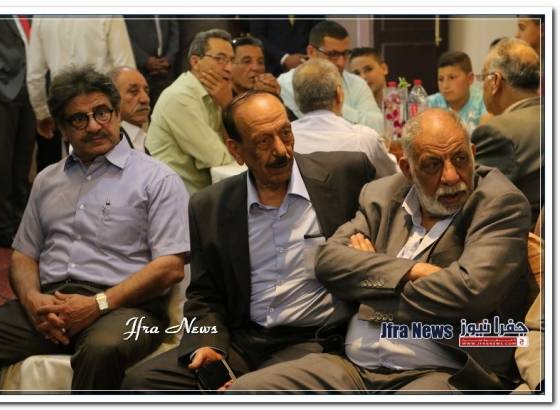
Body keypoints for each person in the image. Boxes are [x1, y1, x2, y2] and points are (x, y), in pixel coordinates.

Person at [228, 108, 532, 393]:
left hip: (442, 368)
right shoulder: (383, 195)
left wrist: (371, 278)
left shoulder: (499, 203)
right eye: (433, 164)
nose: (451, 176)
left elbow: (470, 292)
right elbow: (327, 261)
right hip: (352, 367)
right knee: (247, 391)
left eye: (460, 159)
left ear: (474, 154)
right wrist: (413, 271)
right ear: (407, 169)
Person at [121, 90, 376, 392]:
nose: (281, 150)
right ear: (235, 149)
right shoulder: (210, 205)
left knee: (251, 391)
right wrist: (207, 343)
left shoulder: (345, 174)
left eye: (285, 133)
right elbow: (205, 294)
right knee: (141, 383)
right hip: (243, 339)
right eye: (263, 141)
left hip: (315, 338)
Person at [0, 66, 190, 393]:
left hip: (126, 307)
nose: (93, 126)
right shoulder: (47, 180)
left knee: (102, 351)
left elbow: (170, 267)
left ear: (117, 113)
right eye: (78, 119)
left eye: (101, 112)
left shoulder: (157, 179)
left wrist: (97, 304)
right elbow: (23, 256)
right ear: (62, 128)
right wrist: (33, 300)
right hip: (50, 305)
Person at [145, 28, 235, 194]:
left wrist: (227, 105)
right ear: (195, 62)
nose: (229, 68)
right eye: (220, 59)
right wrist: (229, 107)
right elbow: (217, 158)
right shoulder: (180, 97)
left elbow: (237, 148)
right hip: (174, 197)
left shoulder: (217, 94)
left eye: (231, 60)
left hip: (203, 193)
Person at [26, 16, 135, 140]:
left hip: (67, 110)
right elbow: (126, 68)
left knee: (74, 149)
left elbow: (34, 75)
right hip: (103, 109)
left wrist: (42, 113)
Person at [472, 37, 541, 229]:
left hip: (522, 237)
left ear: (495, 81)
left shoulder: (497, 132)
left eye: (483, 77)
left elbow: (474, 202)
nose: (482, 87)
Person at [0, 15, 36, 247]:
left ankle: (19, 222)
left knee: (23, 160)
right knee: (0, 160)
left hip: (31, 86)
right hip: (0, 88)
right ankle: (1, 228)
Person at [291, 58, 397, 178]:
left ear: (296, 99)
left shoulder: (286, 141)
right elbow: (393, 178)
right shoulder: (365, 139)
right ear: (339, 94)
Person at [278, 21, 383, 134]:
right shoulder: (286, 83)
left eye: (345, 54)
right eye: (333, 54)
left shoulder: (357, 83)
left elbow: (378, 125)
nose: (341, 62)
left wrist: (336, 104)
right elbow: (312, 128)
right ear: (311, 52)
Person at [124, 16, 179, 107]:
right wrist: (145, 60)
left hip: (166, 72)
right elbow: (123, 34)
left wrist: (169, 58)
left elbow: (174, 30)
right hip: (140, 71)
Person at [427, 51, 488, 134]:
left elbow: (485, 137)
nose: (445, 86)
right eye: (441, 79)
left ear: (470, 79)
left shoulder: (485, 101)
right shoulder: (429, 104)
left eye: (452, 78)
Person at [249, 16, 324, 76]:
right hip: (272, 69)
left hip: (307, 67)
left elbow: (320, 32)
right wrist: (284, 58)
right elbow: (257, 36)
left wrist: (304, 57)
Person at [110, 66, 151, 153]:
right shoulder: (109, 144)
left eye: (146, 91)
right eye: (133, 91)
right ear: (112, 98)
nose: (145, 99)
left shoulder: (143, 138)